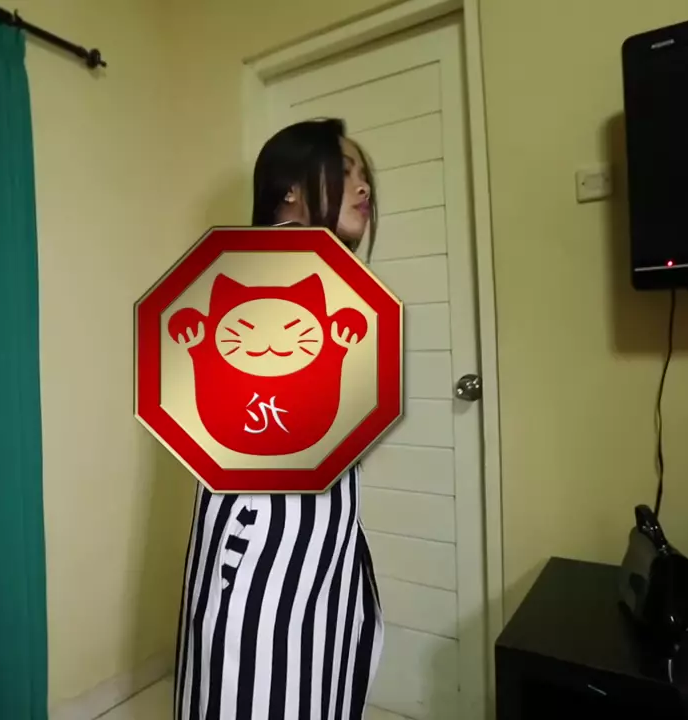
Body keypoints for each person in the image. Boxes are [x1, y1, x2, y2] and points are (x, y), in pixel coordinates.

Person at [173, 117, 382, 720]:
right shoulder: (256, 273)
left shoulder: (330, 279)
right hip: (265, 545)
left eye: (364, 175)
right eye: (345, 171)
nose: (364, 187)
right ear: (290, 189)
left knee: (313, 686)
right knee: (253, 689)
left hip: (325, 545)